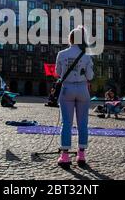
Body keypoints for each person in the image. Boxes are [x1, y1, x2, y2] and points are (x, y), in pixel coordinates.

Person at [55, 26, 94, 167]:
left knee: (66, 123)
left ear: (70, 39)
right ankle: (81, 155)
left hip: (67, 89)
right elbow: (90, 76)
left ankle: (65, 156)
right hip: (83, 89)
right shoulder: (87, 56)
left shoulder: (61, 54)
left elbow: (58, 73)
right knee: (83, 122)